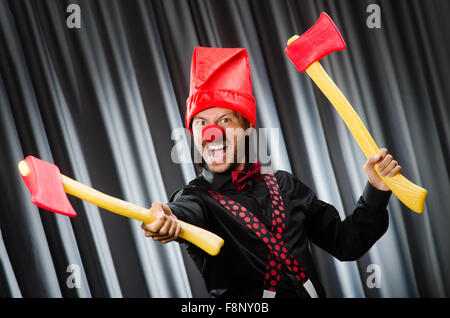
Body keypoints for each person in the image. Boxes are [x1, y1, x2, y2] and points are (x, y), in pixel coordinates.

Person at [141, 47, 401, 298]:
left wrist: (376, 190)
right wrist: (166, 218)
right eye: (201, 123)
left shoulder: (284, 184)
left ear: (247, 127)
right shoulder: (196, 198)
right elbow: (183, 213)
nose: (213, 133)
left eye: (225, 120)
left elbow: (347, 243)